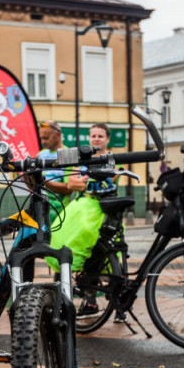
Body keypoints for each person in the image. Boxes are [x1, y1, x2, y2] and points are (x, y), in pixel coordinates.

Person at [47, 123, 117, 314]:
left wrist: (84, 181)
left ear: (107, 139)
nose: (96, 139)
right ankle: (83, 299)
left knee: (107, 255)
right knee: (67, 241)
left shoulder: (112, 159)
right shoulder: (80, 156)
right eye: (93, 135)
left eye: (101, 136)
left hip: (103, 210)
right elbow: (72, 183)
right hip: (84, 208)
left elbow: (112, 178)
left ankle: (114, 301)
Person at [38, 119, 87, 223]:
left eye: (46, 138)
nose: (43, 142)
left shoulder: (68, 154)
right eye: (41, 138)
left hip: (60, 215)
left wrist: (43, 182)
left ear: (58, 134)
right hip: (40, 212)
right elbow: (35, 186)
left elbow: (68, 189)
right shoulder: (41, 154)